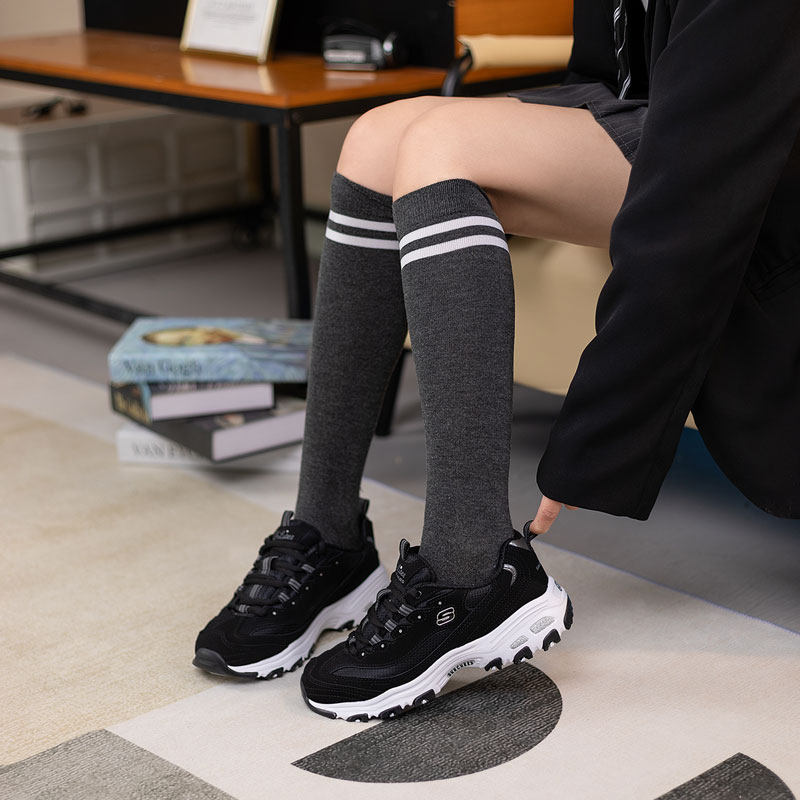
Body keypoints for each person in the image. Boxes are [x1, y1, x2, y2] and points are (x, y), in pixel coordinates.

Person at [193, 0, 800, 721]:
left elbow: (709, 159)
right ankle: (329, 536)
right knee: (374, 137)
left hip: (751, 130)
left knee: (440, 147)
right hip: (646, 98)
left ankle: (471, 568)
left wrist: (595, 437)